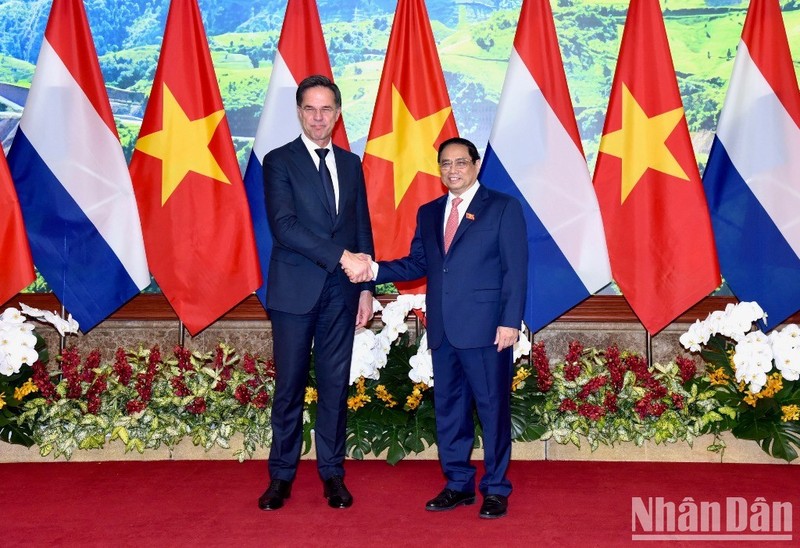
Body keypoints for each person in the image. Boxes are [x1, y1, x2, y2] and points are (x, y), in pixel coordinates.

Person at [346, 137, 527, 519]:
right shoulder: (429, 212)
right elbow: (417, 266)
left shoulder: (502, 207)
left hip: (488, 331)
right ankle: (458, 483)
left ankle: (495, 488)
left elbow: (515, 270)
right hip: (443, 330)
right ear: (439, 168)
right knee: (449, 410)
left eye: (461, 162)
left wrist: (510, 322)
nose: (453, 170)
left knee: (492, 410)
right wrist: (373, 270)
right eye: (446, 163)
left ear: (476, 166)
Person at [258, 75, 374, 511]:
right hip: (293, 292)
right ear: (299, 112)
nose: (319, 117)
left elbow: (362, 226)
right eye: (310, 109)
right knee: (288, 386)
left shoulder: (351, 163)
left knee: (333, 386)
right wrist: (342, 257)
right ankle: (281, 476)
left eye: (327, 109)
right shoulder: (278, 161)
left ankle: (332, 473)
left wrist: (365, 289)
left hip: (343, 294)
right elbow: (284, 228)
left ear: (338, 114)